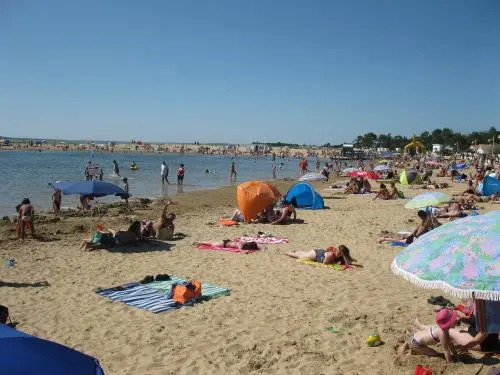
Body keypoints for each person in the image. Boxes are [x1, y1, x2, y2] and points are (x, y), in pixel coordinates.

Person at [284, 245, 355, 265]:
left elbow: (348, 262)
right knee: (299, 256)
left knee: (305, 254)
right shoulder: (331, 255)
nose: (338, 254)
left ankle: (296, 251)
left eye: (340, 253)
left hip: (319, 252)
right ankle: (288, 252)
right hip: (316, 254)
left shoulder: (341, 256)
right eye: (338, 252)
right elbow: (325, 263)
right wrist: (335, 263)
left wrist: (344, 257)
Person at [193, 240, 260, 251]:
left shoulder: (243, 242)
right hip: (224, 244)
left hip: (226, 241)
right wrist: (247, 251)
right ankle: (199, 244)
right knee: (211, 244)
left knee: (211, 242)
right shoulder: (240, 245)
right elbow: (240, 250)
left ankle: (199, 242)